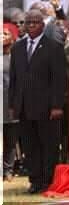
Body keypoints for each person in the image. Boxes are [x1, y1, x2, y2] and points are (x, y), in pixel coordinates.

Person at [8, 10, 67, 193]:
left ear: (42, 24)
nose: (31, 25)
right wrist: (12, 104)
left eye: (35, 22)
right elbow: (14, 78)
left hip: (46, 107)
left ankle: (48, 179)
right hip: (24, 106)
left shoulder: (53, 46)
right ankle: (35, 180)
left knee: (48, 145)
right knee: (29, 145)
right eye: (28, 22)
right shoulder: (17, 48)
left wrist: (57, 105)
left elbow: (59, 79)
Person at [3, 23, 19, 182]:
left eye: (5, 34)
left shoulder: (16, 57)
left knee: (11, 140)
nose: (2, 36)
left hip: (11, 104)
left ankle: (7, 170)